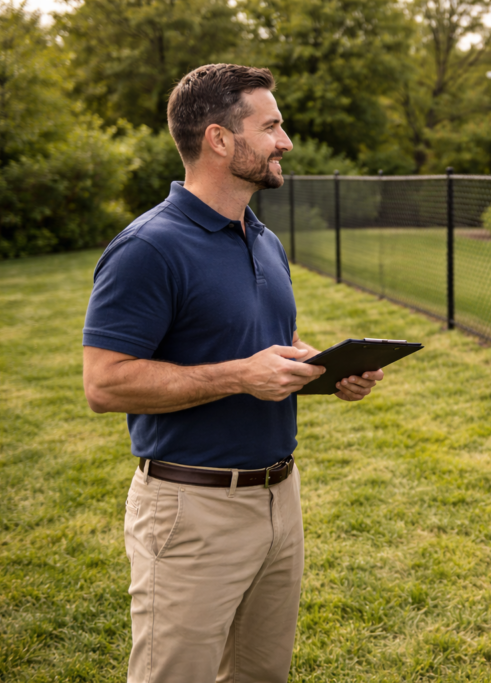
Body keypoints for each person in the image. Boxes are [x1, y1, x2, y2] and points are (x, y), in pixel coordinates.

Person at [81, 63, 383, 683]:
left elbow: (268, 346)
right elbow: (104, 383)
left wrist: (325, 370)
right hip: (191, 510)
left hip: (280, 499)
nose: (286, 140)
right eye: (271, 125)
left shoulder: (263, 238)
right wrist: (238, 376)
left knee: (259, 675)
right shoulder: (148, 248)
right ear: (219, 139)